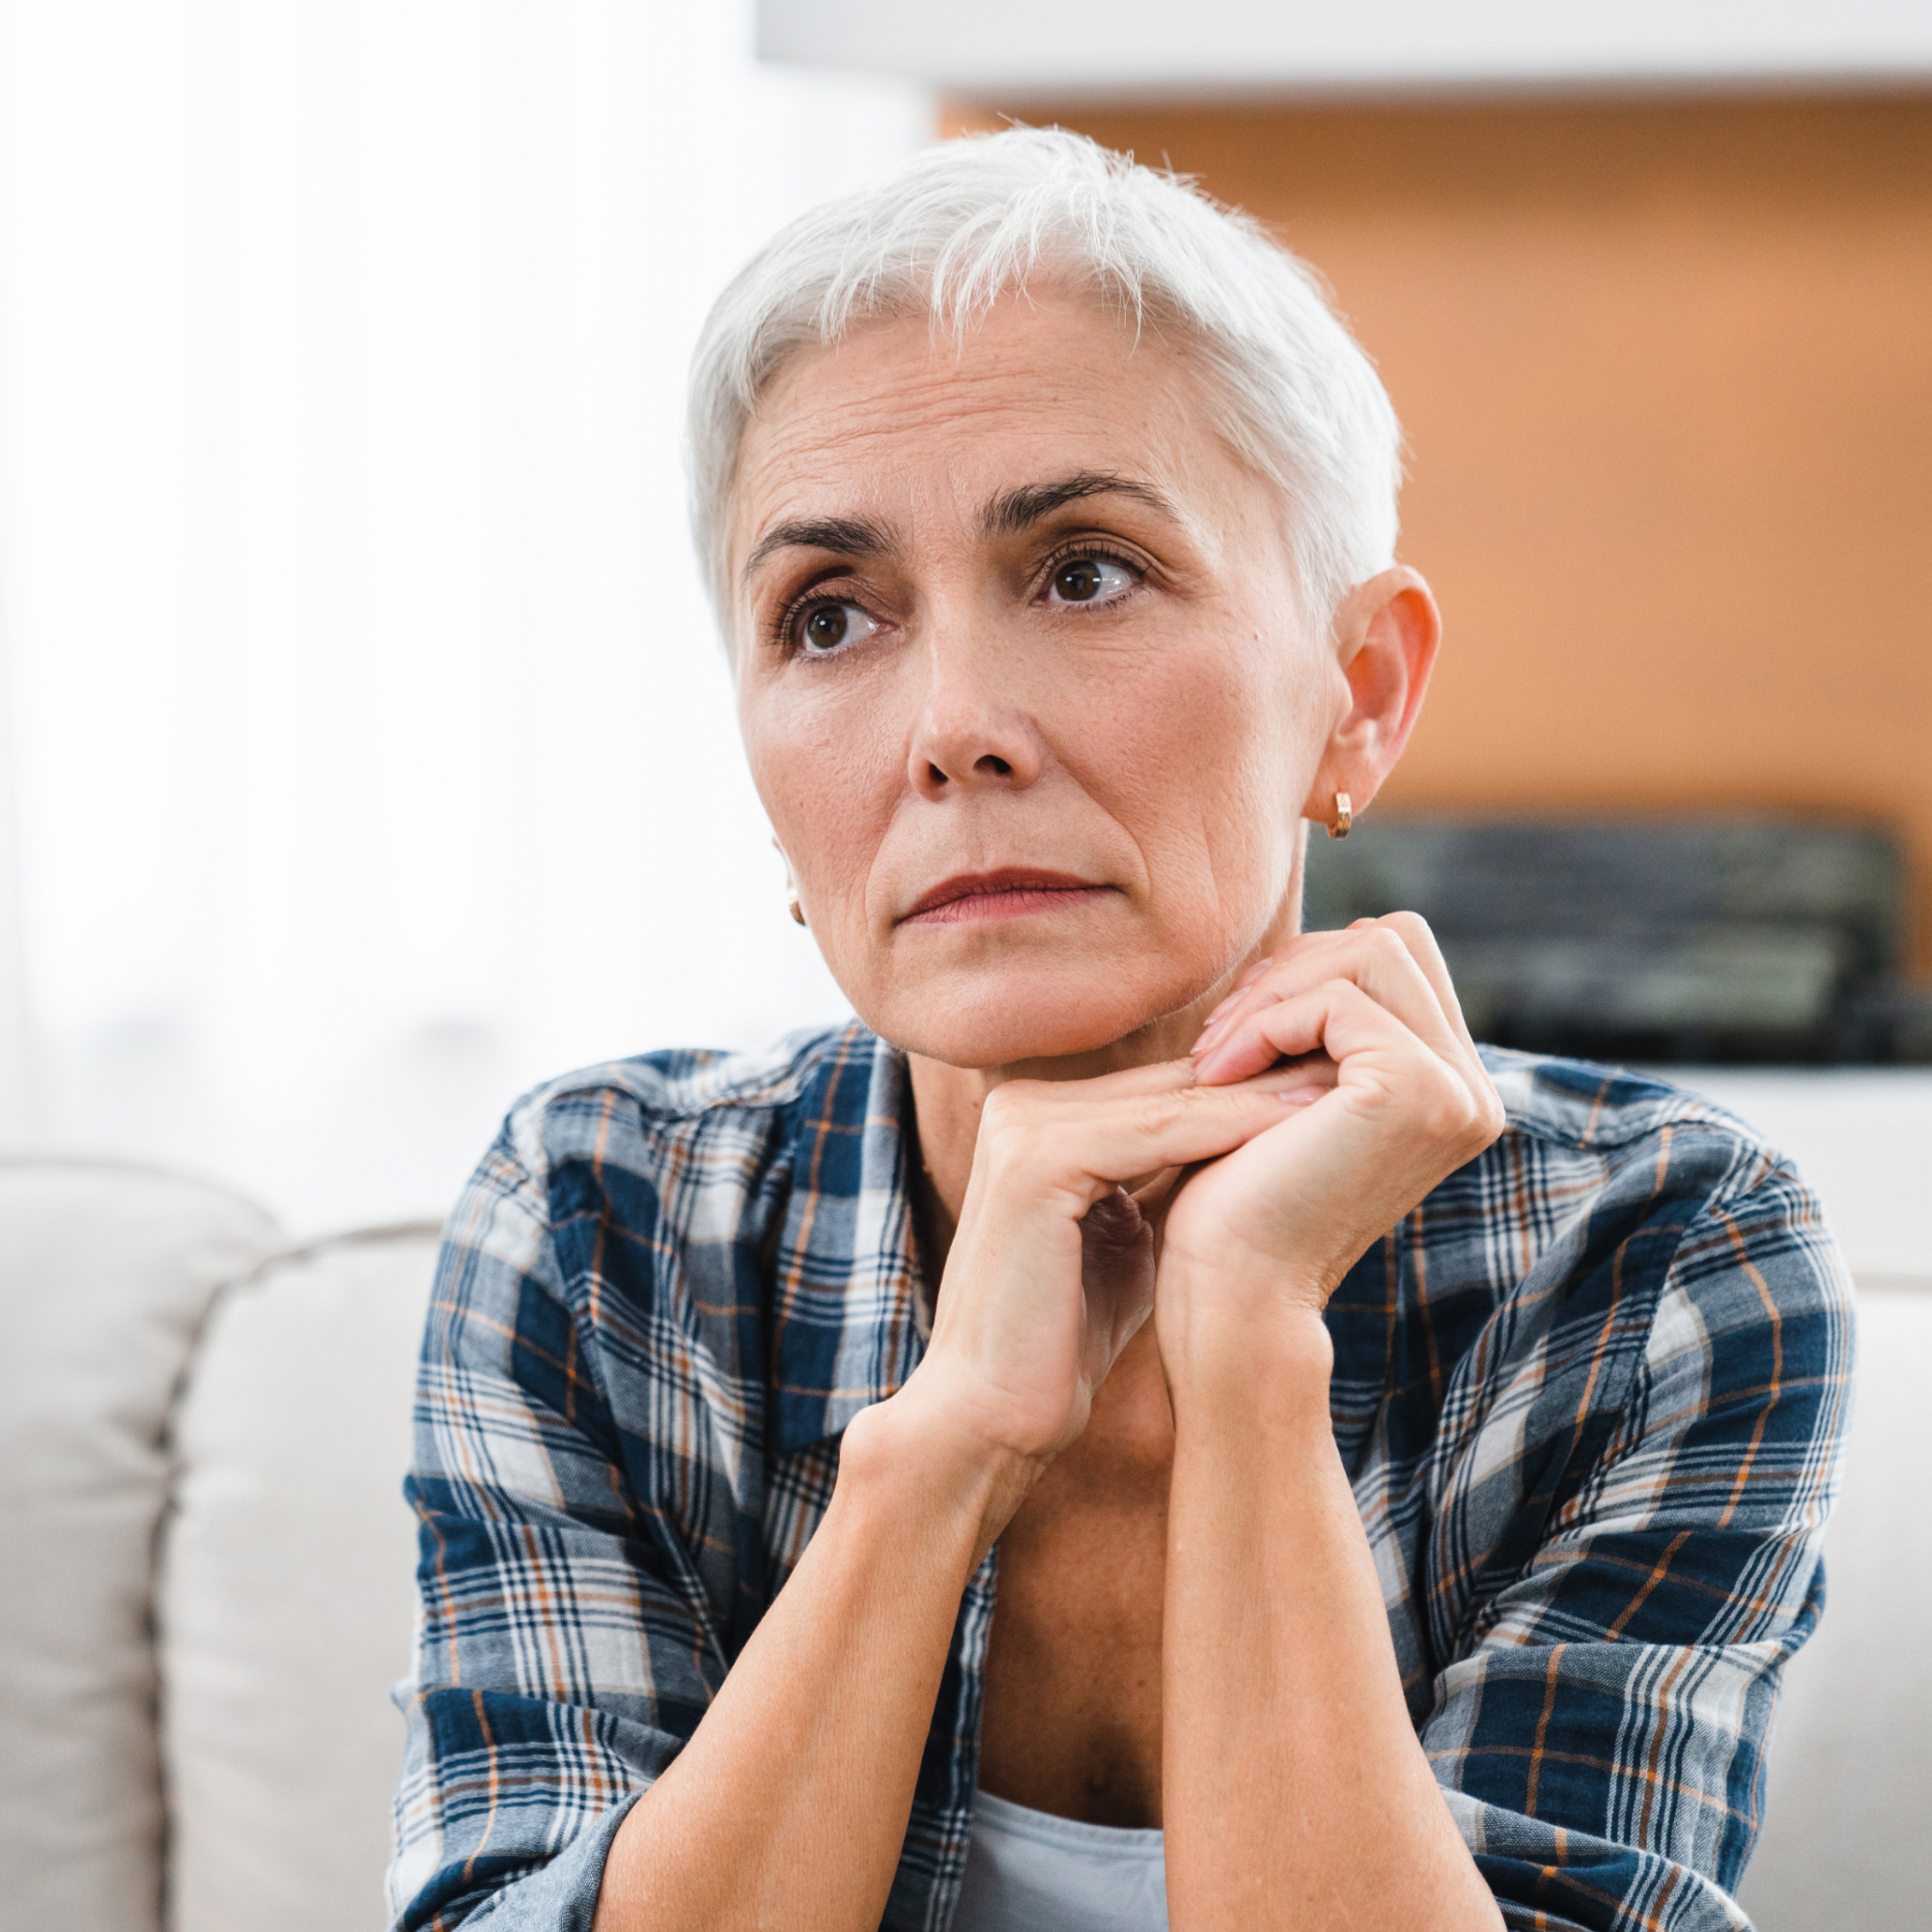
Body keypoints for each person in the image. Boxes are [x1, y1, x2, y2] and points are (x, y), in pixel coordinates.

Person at [387, 129, 1851, 1932]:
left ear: (1358, 695)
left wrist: (1245, 1344)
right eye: (826, 617)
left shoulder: (1657, 1257)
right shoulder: (603, 1217)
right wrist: (944, 1448)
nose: (952, 726)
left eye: (1083, 570)